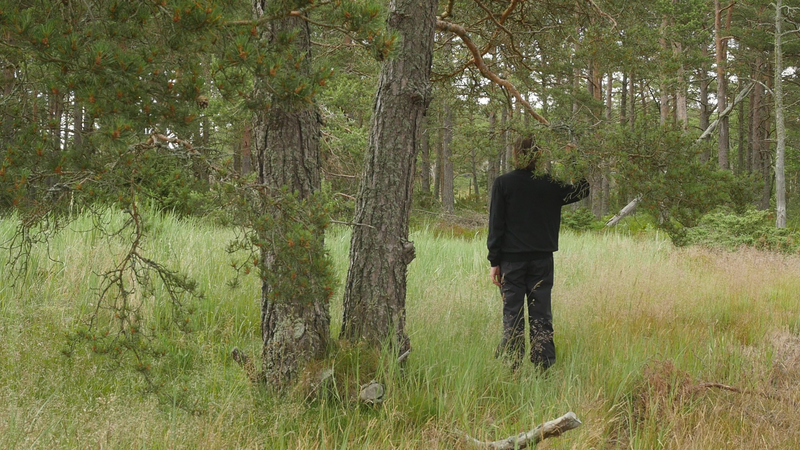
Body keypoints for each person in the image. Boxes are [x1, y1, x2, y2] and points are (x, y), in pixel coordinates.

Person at [487, 136, 588, 371]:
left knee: (513, 315)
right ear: (539, 155)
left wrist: (494, 261)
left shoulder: (504, 183)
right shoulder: (549, 184)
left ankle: (512, 366)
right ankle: (543, 367)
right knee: (541, 315)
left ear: (515, 154)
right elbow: (582, 190)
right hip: (542, 260)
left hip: (511, 261)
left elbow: (496, 224)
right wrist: (573, 159)